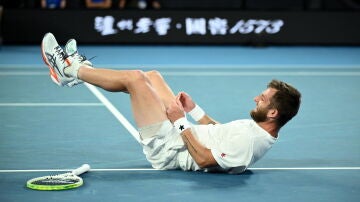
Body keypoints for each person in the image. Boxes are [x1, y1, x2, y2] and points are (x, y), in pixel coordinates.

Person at [41, 33, 301, 174]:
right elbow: (221, 132)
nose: (256, 98)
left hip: (167, 149)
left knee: (136, 79)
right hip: (182, 134)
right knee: (152, 76)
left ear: (273, 112)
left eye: (263, 99)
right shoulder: (255, 130)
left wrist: (178, 122)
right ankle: (80, 69)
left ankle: (70, 70)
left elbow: (204, 160)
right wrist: (193, 111)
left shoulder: (252, 141)